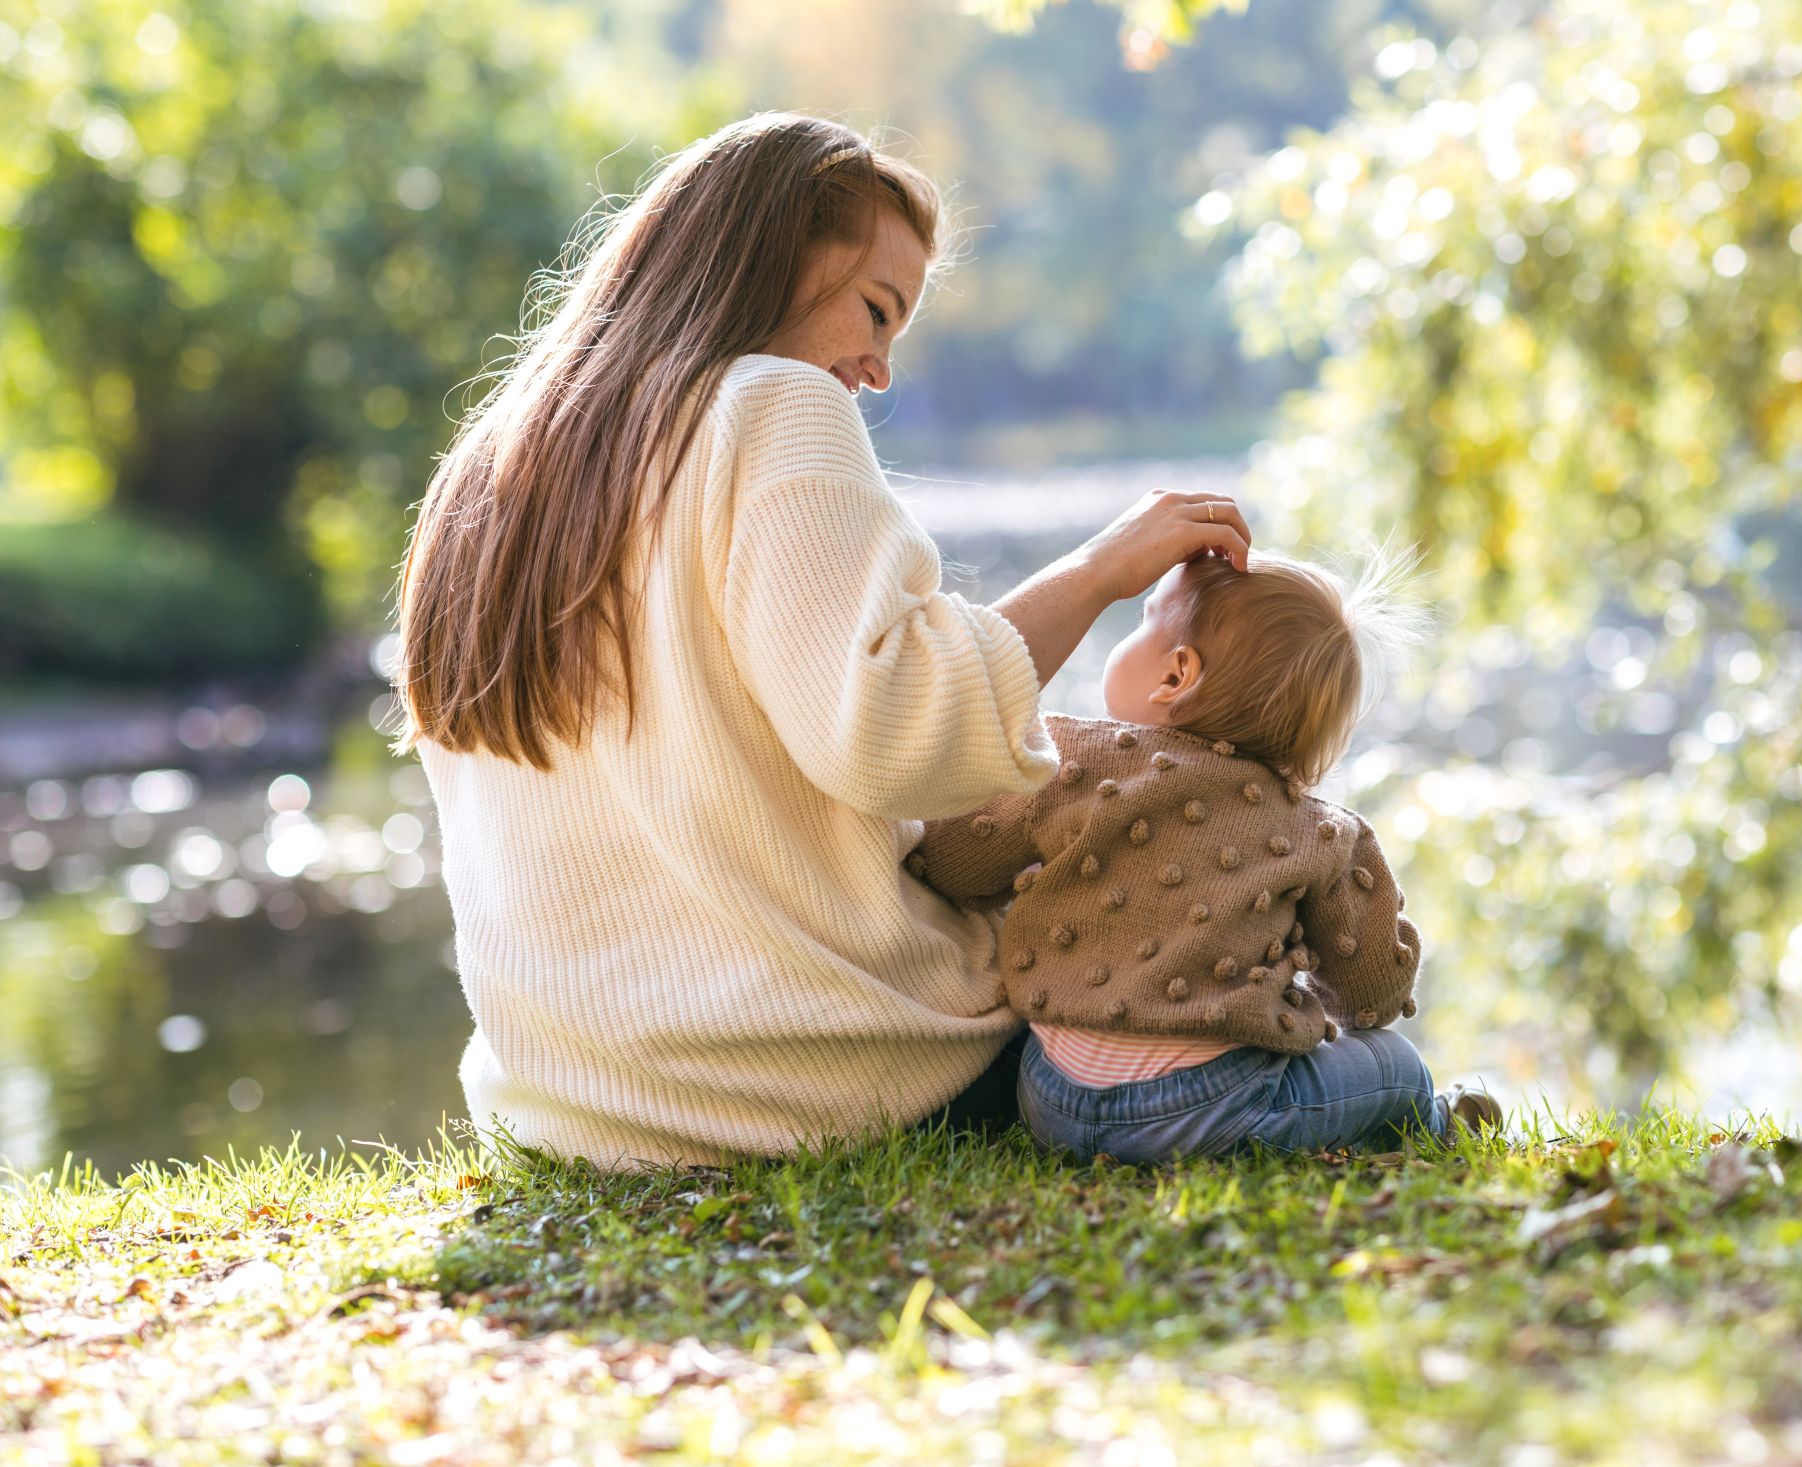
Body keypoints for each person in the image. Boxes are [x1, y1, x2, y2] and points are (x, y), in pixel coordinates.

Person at [391, 112, 1252, 1167]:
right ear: (780, 251)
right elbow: (896, 738)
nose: (879, 370)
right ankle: (1399, 1089)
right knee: (1255, 1043)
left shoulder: (492, 466)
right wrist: (1100, 572)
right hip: (808, 1075)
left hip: (564, 1106)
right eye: (876, 311)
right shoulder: (770, 404)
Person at [909, 551, 1502, 1163]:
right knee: (1396, 1065)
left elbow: (952, 862)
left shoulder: (1067, 761)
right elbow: (1371, 994)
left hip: (1051, 1101)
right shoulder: (1321, 831)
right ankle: (1437, 1123)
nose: (1131, 631)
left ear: (1175, 675)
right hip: (1210, 1113)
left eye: (1143, 620)